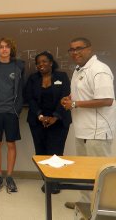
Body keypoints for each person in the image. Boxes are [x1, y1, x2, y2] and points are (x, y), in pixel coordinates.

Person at [61, 37, 116, 209]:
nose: (75, 52)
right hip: (82, 130)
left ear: (89, 49)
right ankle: (85, 203)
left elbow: (107, 100)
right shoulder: (79, 70)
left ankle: (104, 207)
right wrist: (70, 99)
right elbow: (82, 94)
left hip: (97, 132)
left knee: (101, 172)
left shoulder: (99, 70)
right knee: (85, 171)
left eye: (79, 48)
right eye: (72, 49)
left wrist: (75, 104)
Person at [25, 51, 71, 194]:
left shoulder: (62, 77)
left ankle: (55, 182)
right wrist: (40, 116)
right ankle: (46, 181)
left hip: (59, 121)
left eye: (44, 61)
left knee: (55, 153)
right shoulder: (33, 79)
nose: (41, 65)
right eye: (38, 63)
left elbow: (65, 97)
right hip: (38, 121)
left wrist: (55, 117)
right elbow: (30, 98)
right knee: (41, 153)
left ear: (51, 63)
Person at [0, 37, 24, 193]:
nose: (4, 49)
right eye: (1, 47)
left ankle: (9, 177)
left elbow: (21, 89)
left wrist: (17, 108)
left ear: (11, 50)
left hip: (11, 112)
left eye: (7, 47)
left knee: (11, 144)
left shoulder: (18, 66)